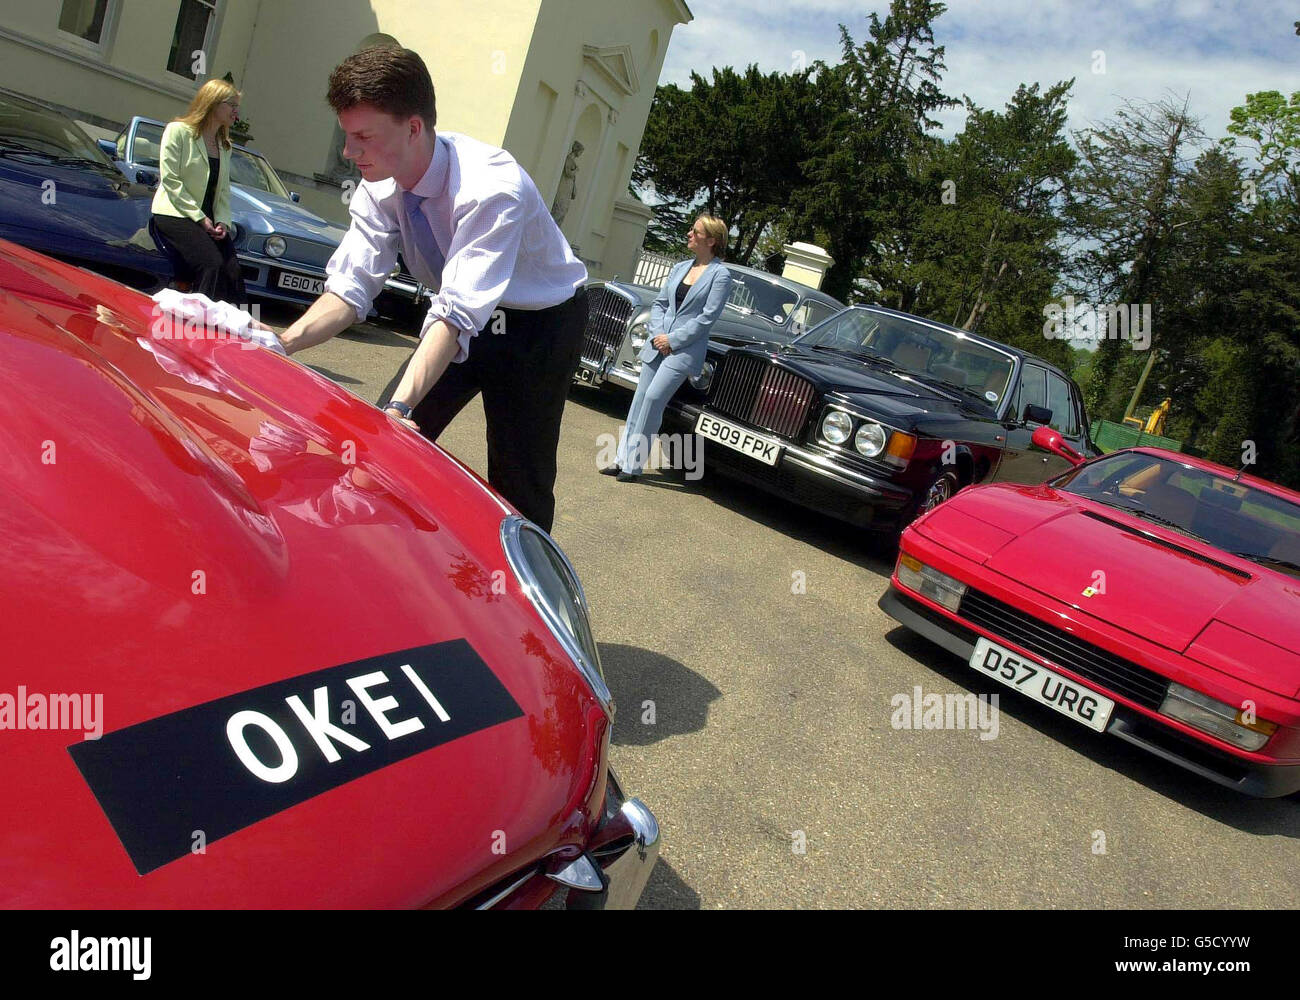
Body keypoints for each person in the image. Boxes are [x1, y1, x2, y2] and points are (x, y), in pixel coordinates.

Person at [278, 46, 588, 533]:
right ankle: (360, 563)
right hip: (460, 314)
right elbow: (352, 287)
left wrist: (401, 408)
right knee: (380, 449)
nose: (348, 152)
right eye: (346, 135)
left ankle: (517, 601)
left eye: (363, 137)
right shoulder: (377, 180)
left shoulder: (491, 189)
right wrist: (283, 342)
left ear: (414, 128)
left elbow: (457, 313)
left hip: (539, 325)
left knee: (518, 479)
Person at [605, 216, 732, 481]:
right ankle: (620, 459)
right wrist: (659, 334)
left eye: (695, 232)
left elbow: (707, 318)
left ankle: (634, 465)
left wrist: (672, 340)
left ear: (711, 240)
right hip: (658, 344)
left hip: (683, 351)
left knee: (653, 399)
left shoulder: (721, 275)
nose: (689, 234)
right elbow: (661, 304)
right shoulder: (681, 267)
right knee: (639, 398)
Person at [151, 79, 246, 304]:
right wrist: (200, 217)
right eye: (231, 104)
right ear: (213, 103)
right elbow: (171, 180)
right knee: (211, 264)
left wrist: (222, 221)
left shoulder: (225, 146)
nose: (236, 111)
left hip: (209, 220)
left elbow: (222, 191)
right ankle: (200, 326)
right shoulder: (178, 132)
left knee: (234, 271)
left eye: (237, 106)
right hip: (176, 213)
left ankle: (246, 329)